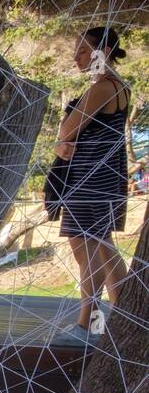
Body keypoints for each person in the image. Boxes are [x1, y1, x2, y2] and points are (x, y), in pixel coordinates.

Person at [53, 27, 132, 336]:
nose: (77, 56)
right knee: (99, 246)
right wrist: (64, 144)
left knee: (89, 246)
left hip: (92, 178)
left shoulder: (103, 88)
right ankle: (122, 318)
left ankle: (86, 323)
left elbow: (67, 131)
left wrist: (63, 138)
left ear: (105, 52)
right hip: (100, 175)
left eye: (83, 50)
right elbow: (74, 138)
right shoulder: (116, 86)